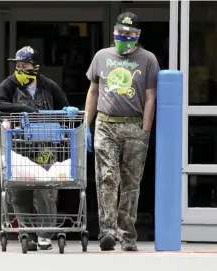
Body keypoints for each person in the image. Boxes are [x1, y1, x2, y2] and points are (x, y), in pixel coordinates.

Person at [84, 12, 160, 251]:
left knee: (131, 182)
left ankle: (127, 234)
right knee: (106, 177)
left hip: (134, 124)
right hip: (105, 124)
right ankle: (107, 231)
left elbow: (150, 98)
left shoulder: (148, 60)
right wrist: (86, 124)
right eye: (120, 33)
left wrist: (145, 130)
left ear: (138, 36)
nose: (124, 38)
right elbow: (93, 92)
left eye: (129, 35)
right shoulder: (101, 57)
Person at [0, 46, 78, 251]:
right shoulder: (10, 83)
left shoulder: (48, 85)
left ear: (36, 67)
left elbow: (64, 107)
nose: (20, 69)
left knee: (45, 188)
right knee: (19, 190)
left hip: (45, 145)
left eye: (25, 65)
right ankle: (27, 233)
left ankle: (45, 234)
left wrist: (67, 112)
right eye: (17, 66)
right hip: (18, 145)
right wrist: (25, 109)